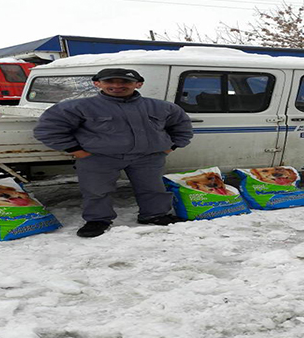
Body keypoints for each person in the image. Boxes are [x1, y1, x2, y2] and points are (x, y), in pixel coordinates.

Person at [33, 68, 194, 237]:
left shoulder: (162, 107)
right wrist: (76, 151)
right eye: (110, 81)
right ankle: (97, 220)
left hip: (148, 158)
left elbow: (182, 127)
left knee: (154, 189)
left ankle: (156, 214)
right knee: (96, 191)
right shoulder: (77, 107)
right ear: (97, 84)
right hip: (98, 158)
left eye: (125, 82)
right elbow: (48, 130)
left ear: (138, 84)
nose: (117, 86)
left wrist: (171, 147)